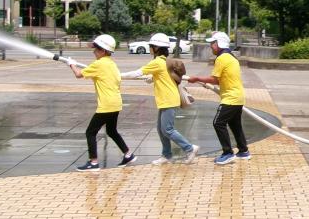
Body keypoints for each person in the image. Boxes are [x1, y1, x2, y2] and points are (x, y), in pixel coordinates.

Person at [121, 33, 198, 165]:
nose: (150, 48)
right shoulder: (163, 62)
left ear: (156, 48)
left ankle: (189, 148)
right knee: (161, 129)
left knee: (167, 129)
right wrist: (152, 77)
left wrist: (117, 75)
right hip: (166, 100)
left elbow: (137, 73)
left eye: (151, 46)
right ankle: (167, 155)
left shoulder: (156, 62)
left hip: (168, 100)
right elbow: (163, 76)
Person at [66, 35, 135, 172]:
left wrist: (71, 64)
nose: (93, 52)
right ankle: (128, 154)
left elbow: (79, 74)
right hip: (116, 103)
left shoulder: (98, 64)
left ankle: (93, 162)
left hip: (106, 105)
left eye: (96, 49)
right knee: (111, 131)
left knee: (90, 132)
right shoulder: (112, 64)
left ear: (103, 51)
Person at [188, 32, 251, 165]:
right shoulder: (232, 58)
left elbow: (215, 79)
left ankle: (228, 153)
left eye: (213, 43)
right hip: (238, 97)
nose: (211, 46)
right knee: (235, 125)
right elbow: (220, 80)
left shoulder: (222, 58)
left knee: (218, 123)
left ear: (220, 43)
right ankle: (243, 151)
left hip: (230, 98)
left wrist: (197, 78)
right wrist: (208, 83)